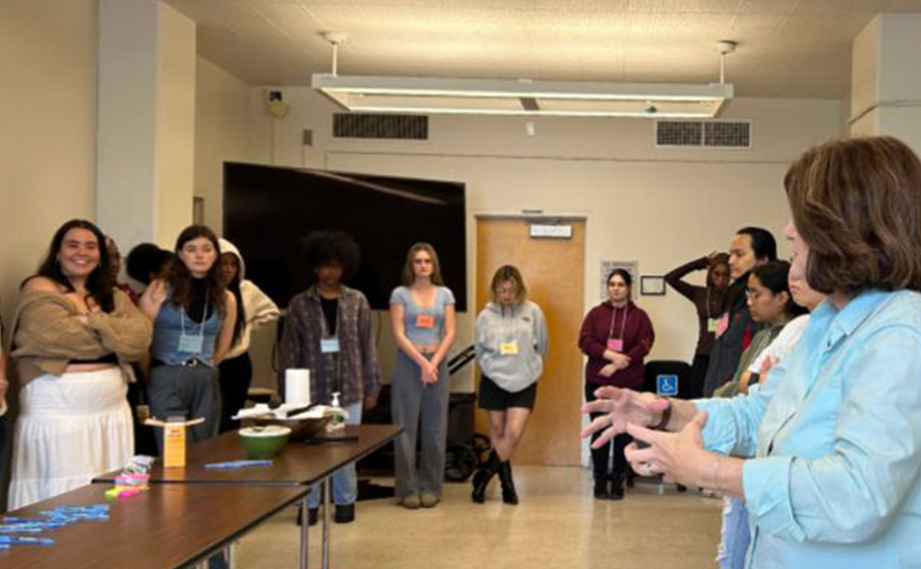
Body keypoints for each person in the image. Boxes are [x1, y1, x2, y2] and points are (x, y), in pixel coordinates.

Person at [583, 136, 921, 568]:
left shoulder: (900, 334)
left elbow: (859, 494)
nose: (788, 231)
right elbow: (760, 413)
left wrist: (709, 471)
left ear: (847, 229)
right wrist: (665, 412)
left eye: (803, 219)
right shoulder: (824, 322)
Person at [6, 219, 152, 509]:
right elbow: (49, 337)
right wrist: (113, 332)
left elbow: (139, 340)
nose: (81, 252)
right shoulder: (39, 285)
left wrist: (92, 321)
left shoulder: (114, 295)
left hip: (111, 414)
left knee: (108, 487)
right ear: (57, 252)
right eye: (72, 245)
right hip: (57, 413)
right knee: (61, 490)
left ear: (100, 255)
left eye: (90, 246)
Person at [279, 231, 381, 524]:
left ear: (345, 267)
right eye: (324, 265)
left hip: (350, 388)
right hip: (308, 391)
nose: (330, 272)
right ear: (315, 267)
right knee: (307, 453)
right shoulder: (299, 304)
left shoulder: (357, 301)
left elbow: (367, 346)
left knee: (344, 450)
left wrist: (372, 387)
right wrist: (288, 394)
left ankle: (345, 503)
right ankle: (308, 506)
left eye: (336, 266)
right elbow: (289, 351)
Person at [140, 225, 237, 451]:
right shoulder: (160, 288)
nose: (199, 255)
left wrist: (208, 364)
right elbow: (140, 338)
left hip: (206, 375)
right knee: (172, 448)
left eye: (206, 249)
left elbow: (224, 345)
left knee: (204, 448)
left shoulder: (226, 297)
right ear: (181, 254)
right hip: (165, 372)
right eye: (191, 249)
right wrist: (151, 371)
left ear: (216, 255)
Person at [471, 265, 548, 505]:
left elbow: (543, 345)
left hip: (524, 380)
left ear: (520, 289)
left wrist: (531, 367)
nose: (507, 295)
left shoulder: (532, 311)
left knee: (512, 433)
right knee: (497, 434)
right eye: (502, 290)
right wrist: (490, 369)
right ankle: (507, 486)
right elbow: (478, 350)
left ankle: (483, 477)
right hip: (494, 380)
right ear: (495, 290)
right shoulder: (485, 316)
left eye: (511, 290)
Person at [390, 243, 456, 510]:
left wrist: (433, 363)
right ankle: (407, 488)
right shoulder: (400, 294)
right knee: (404, 427)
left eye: (427, 261)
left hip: (437, 362)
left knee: (436, 427)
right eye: (418, 261)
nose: (423, 266)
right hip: (409, 362)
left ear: (434, 265)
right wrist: (421, 364)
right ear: (411, 265)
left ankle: (431, 486)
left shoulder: (445, 294)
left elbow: (450, 332)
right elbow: (398, 333)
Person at [579, 268, 654, 500]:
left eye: (620, 284)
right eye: (612, 284)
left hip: (629, 384)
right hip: (598, 382)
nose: (616, 288)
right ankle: (600, 479)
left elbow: (645, 343)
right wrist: (610, 356)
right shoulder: (595, 314)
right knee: (600, 429)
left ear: (629, 288)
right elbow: (585, 341)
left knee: (623, 431)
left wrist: (622, 363)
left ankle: (619, 477)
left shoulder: (640, 316)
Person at [702, 227, 776, 397]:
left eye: (739, 254)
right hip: (718, 389)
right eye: (731, 254)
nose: (731, 261)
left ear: (763, 259)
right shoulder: (733, 294)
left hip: (740, 396)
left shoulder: (764, 303)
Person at [217, 238, 279, 433]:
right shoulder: (204, 291)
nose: (228, 269)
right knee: (211, 416)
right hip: (209, 362)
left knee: (232, 417)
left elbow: (271, 311)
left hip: (236, 362)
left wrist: (247, 326)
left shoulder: (247, 289)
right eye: (223, 263)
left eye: (233, 264)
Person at [664, 253, 730, 399]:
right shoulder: (699, 293)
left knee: (721, 399)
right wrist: (700, 263)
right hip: (703, 354)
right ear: (710, 273)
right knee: (696, 398)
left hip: (726, 355)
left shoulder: (736, 295)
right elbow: (670, 278)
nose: (720, 279)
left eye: (726, 275)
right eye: (716, 274)